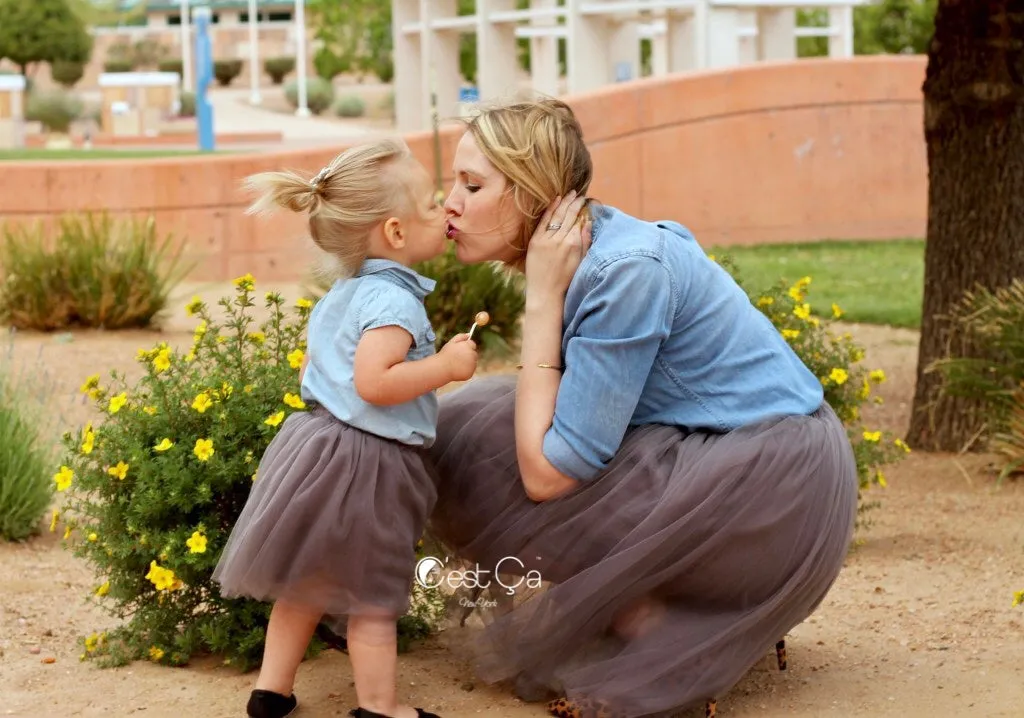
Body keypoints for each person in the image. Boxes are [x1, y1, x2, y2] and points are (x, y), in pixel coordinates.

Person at [426, 98, 859, 717]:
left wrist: (544, 301)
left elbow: (548, 476)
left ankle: (665, 631)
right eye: (453, 182)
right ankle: (649, 615)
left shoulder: (624, 271)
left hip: (771, 490)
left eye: (472, 184)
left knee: (493, 454)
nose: (451, 202)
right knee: (469, 427)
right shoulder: (597, 245)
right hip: (717, 448)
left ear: (532, 196)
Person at [213, 138, 478, 718]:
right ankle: (381, 709)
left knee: (304, 585)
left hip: (317, 447)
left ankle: (271, 691)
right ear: (396, 233)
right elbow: (375, 383)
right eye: (434, 204)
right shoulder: (395, 301)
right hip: (368, 463)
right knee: (372, 596)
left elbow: (319, 368)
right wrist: (447, 368)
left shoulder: (345, 292)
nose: (448, 211)